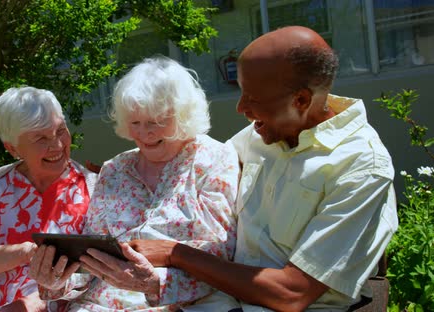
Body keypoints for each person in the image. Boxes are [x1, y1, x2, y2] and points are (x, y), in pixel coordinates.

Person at [129, 26, 399, 311]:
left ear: (301, 100)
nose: (240, 108)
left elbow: (292, 293)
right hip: (216, 301)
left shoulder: (361, 168)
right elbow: (197, 164)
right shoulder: (265, 131)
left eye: (253, 99)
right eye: (242, 92)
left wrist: (176, 254)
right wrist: (118, 172)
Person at [28, 56, 240, 311]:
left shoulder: (213, 159)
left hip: (179, 305)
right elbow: (90, 261)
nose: (144, 133)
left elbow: (220, 254)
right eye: (135, 123)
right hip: (98, 305)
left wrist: (153, 284)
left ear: (184, 115)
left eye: (156, 121)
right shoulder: (114, 169)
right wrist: (56, 279)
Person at [0, 87, 97, 311]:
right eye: (40, 138)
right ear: (12, 148)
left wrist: (35, 303)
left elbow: (97, 270)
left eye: (60, 131)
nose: (57, 145)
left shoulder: (90, 188)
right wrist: (27, 253)